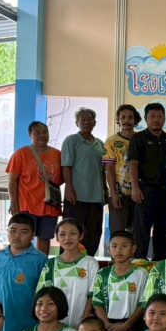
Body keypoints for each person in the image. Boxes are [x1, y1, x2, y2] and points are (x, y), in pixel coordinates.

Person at [0, 213, 47, 331]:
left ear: (33, 235)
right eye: (13, 231)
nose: (17, 235)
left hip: (26, 325)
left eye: (24, 232)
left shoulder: (40, 260)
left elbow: (45, 293)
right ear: (7, 231)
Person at [128, 103, 166, 260]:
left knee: (163, 228)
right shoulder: (138, 138)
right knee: (142, 228)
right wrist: (135, 187)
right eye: (152, 116)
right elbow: (133, 164)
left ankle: (159, 262)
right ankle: (139, 261)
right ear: (146, 118)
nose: (156, 120)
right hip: (145, 190)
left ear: (164, 118)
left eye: (160, 116)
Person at [6, 120, 62, 254]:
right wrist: (13, 202)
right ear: (30, 135)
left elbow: (63, 178)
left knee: (45, 238)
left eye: (45, 132)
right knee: (23, 237)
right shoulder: (21, 154)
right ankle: (23, 262)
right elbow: (12, 180)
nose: (42, 135)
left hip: (50, 205)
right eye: (37, 132)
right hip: (26, 205)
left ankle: (41, 264)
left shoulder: (58, 154)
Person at [37, 217, 99, 328]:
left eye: (73, 233)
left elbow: (92, 297)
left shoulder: (90, 263)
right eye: (62, 234)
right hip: (55, 325)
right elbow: (43, 295)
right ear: (57, 238)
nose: (67, 238)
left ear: (81, 236)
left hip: (81, 325)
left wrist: (82, 324)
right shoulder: (51, 264)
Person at [90, 230, 147, 331]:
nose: (118, 250)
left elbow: (143, 304)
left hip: (132, 326)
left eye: (124, 246)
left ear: (133, 249)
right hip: (107, 326)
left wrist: (126, 326)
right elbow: (97, 303)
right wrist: (107, 325)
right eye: (114, 246)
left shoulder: (141, 273)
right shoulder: (102, 273)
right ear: (109, 249)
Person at [60, 108, 106, 255]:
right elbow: (66, 167)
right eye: (83, 120)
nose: (86, 122)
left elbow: (103, 170)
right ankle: (67, 262)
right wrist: (69, 188)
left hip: (96, 198)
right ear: (77, 123)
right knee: (71, 232)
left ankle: (88, 262)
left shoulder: (100, 144)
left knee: (94, 233)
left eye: (89, 120)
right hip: (76, 197)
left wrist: (105, 191)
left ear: (95, 122)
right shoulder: (71, 141)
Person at [104, 103, 141, 245]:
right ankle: (116, 258)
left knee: (136, 232)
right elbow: (109, 168)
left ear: (135, 120)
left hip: (139, 193)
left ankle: (135, 258)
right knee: (118, 231)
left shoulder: (141, 139)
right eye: (123, 117)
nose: (126, 120)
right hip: (119, 193)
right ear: (118, 120)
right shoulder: (111, 141)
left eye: (130, 117)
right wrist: (113, 194)